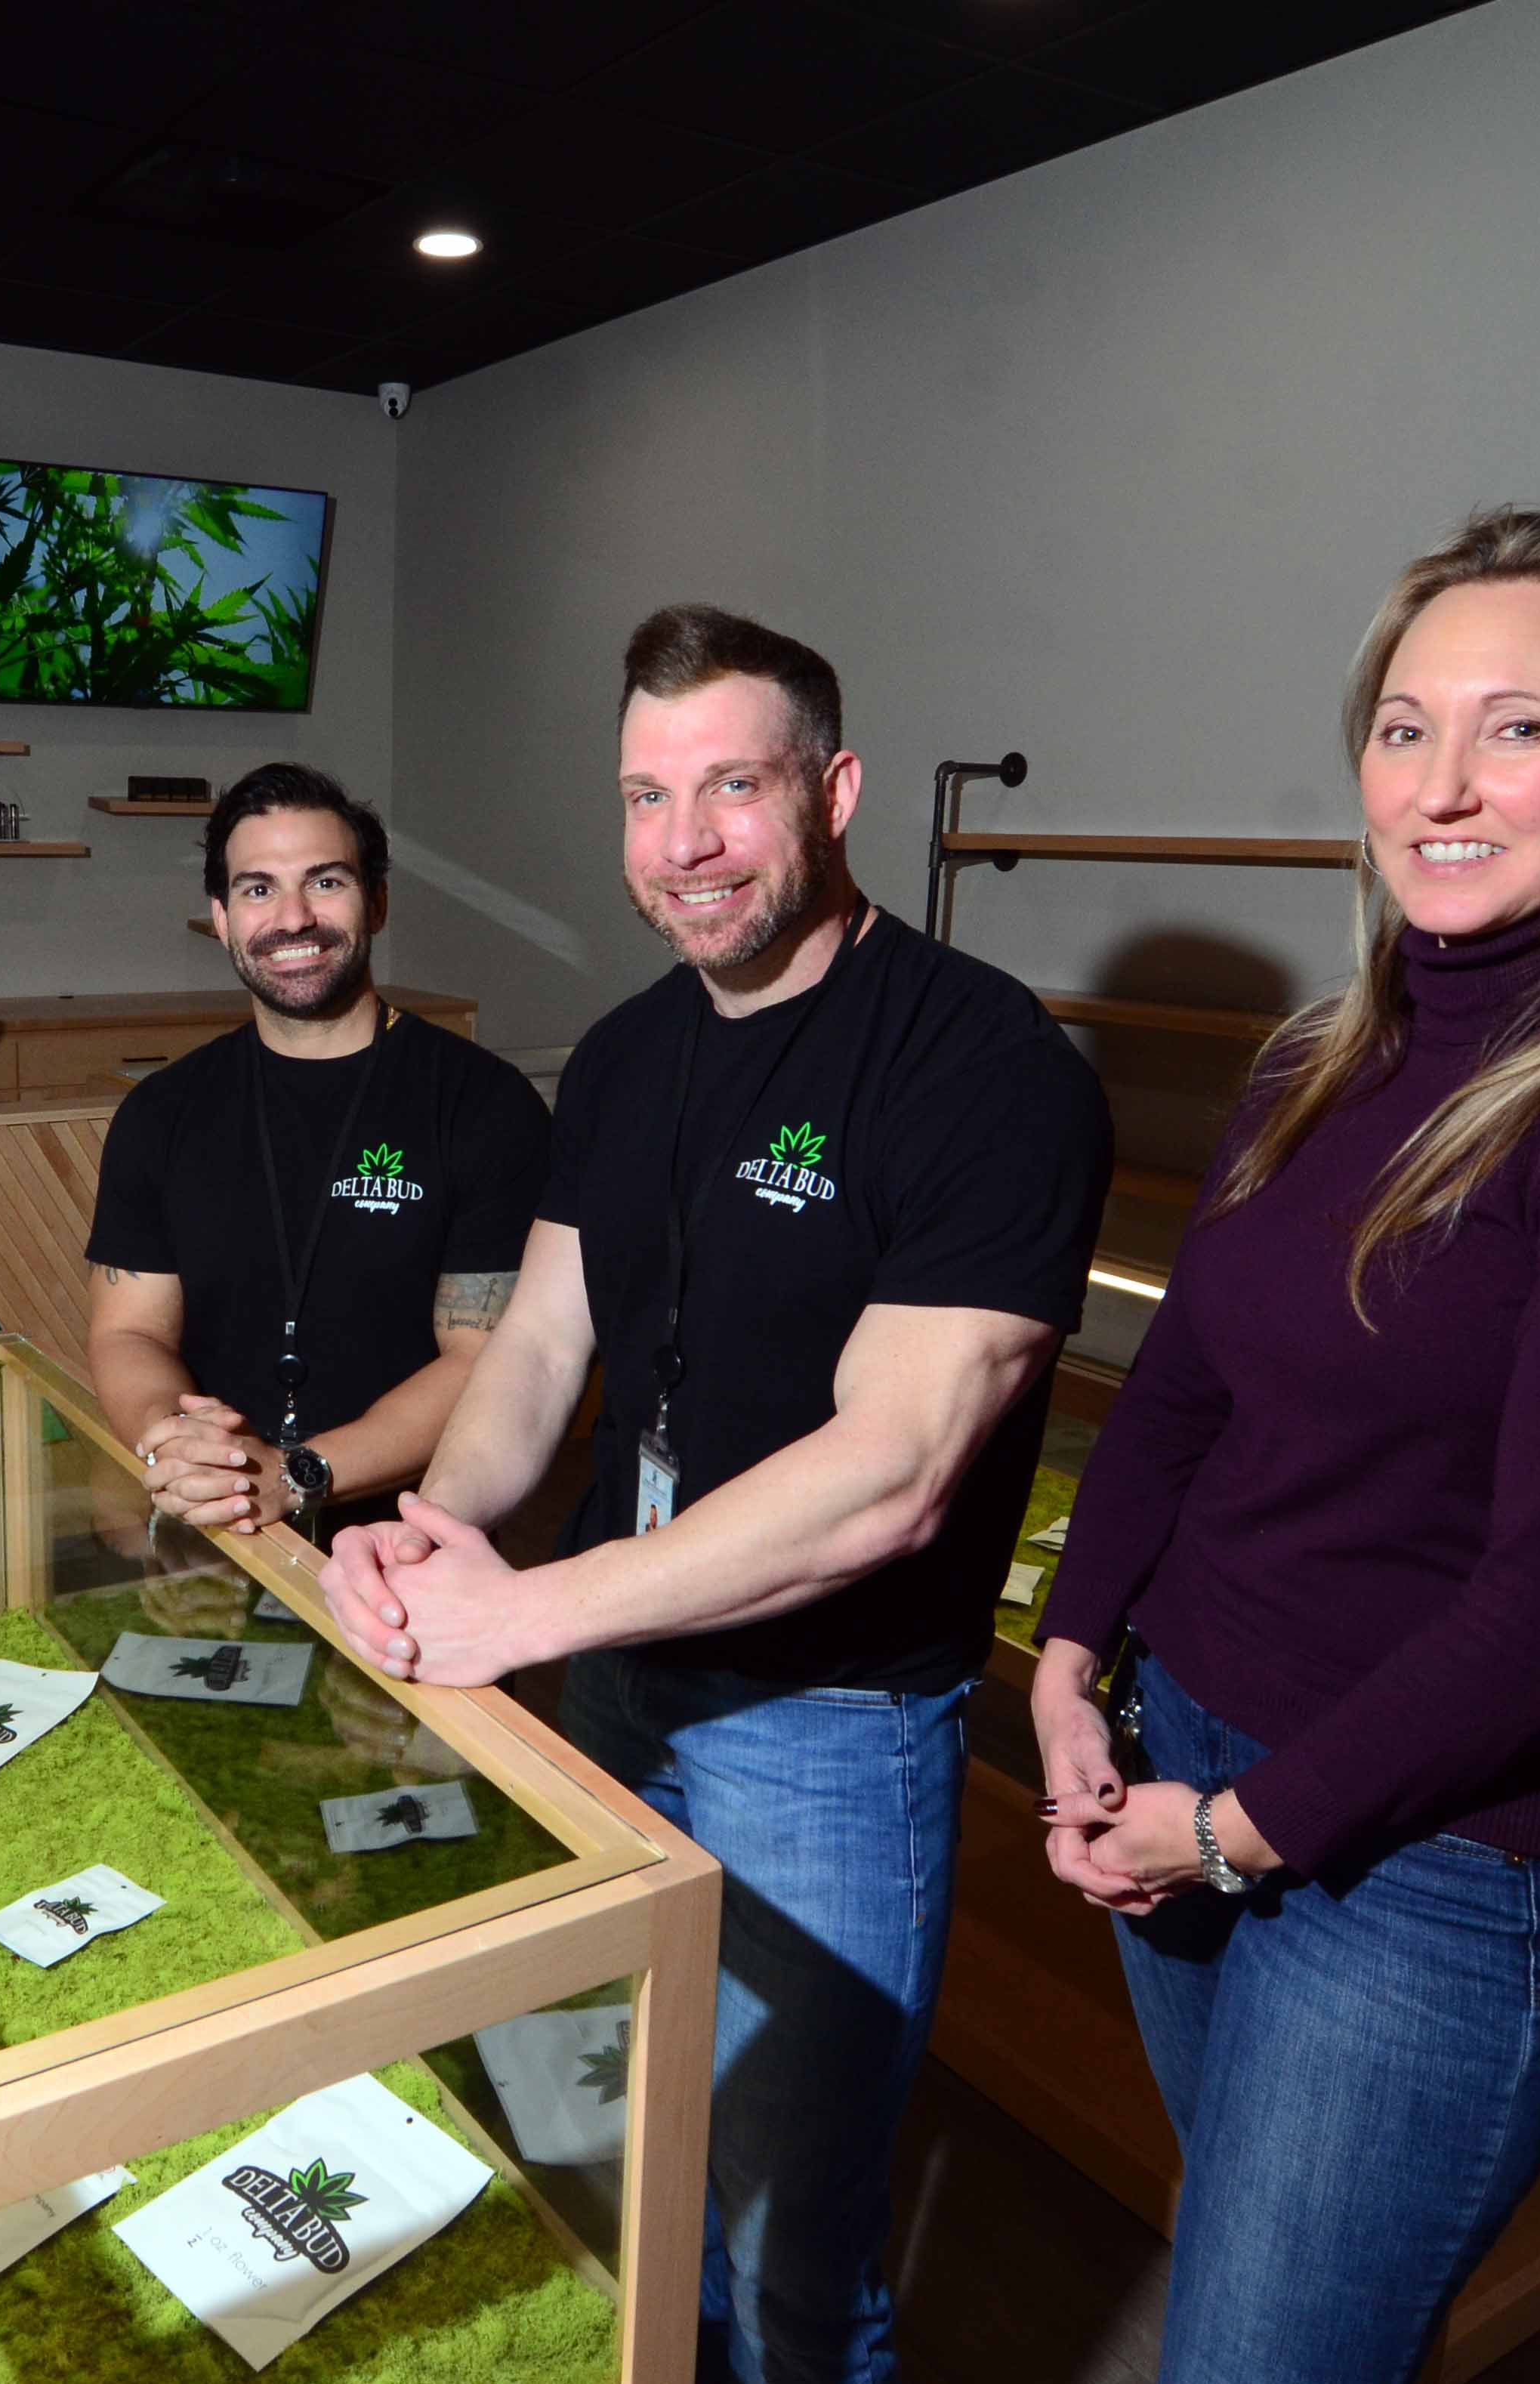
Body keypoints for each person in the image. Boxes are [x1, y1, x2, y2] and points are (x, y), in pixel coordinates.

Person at [1029, 508, 1540, 2384]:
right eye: (1405, 728)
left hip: (1428, 1863)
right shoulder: (1321, 1054)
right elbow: (1178, 1392)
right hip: (1187, 1754)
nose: (1442, 783)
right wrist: (1076, 1659)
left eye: (1520, 727)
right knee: (1241, 2285)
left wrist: (1232, 1834)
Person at [323, 607, 1111, 2384]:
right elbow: (540, 1345)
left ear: (832, 791)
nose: (683, 841)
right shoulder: (621, 1055)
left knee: (789, 2237)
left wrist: (523, 1609)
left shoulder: (986, 1067)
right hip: (616, 1680)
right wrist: (440, 1526)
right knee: (620, 2142)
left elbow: (891, 1472)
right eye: (645, 795)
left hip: (822, 1720)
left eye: (732, 787)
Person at [85, 763, 551, 1543]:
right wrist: (184, 1449)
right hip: (217, 1529)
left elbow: (484, 1359)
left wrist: (297, 1472)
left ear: (377, 902)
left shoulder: (483, 1104)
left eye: (325, 882)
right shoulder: (161, 1113)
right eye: (257, 889)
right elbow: (128, 1334)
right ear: (222, 918)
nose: (292, 918)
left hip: (410, 1538)